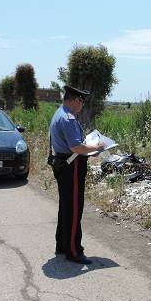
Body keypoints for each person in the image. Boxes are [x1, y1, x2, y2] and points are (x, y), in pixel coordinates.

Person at [48, 85, 104, 264]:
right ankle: (74, 251)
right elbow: (76, 147)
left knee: (65, 207)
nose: (82, 104)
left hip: (63, 164)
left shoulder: (59, 113)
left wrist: (87, 149)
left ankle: (62, 245)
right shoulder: (69, 118)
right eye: (81, 100)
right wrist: (95, 148)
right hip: (71, 168)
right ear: (73, 100)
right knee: (73, 210)